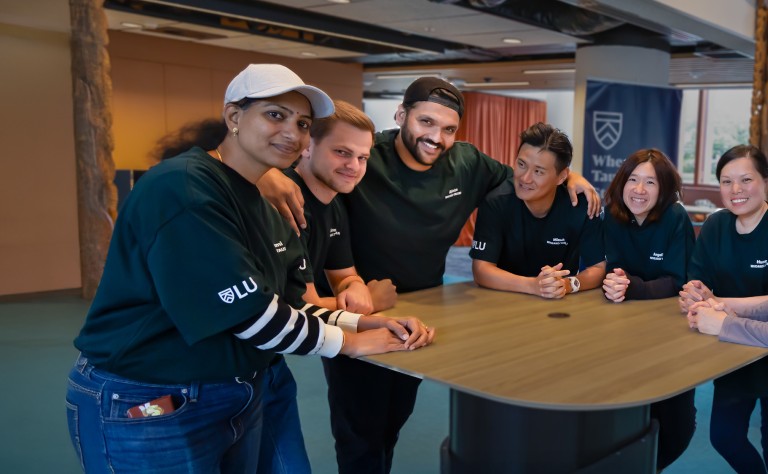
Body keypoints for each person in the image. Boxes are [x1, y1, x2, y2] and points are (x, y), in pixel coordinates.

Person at [65, 63, 432, 473]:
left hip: (239, 388)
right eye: (275, 115)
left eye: (303, 122)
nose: (293, 133)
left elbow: (291, 304)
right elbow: (250, 314)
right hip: (152, 397)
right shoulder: (183, 188)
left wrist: (362, 325)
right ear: (234, 117)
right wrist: (350, 344)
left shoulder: (269, 205)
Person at [259, 76, 601, 473]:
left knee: (393, 422)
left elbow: (525, 178)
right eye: (426, 122)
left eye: (449, 129)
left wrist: (568, 177)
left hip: (421, 314)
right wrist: (270, 173)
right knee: (359, 433)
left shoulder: (467, 163)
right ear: (401, 115)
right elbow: (285, 161)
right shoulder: (365, 158)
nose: (436, 137)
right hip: (357, 313)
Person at [602, 148, 696, 470]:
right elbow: (611, 270)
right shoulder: (612, 216)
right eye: (633, 180)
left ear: (664, 188)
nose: (639, 190)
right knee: (622, 412)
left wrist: (632, 287)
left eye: (650, 183)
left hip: (669, 330)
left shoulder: (675, 218)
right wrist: (616, 285)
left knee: (675, 427)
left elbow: (676, 281)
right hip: (621, 329)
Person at [679, 144, 768, 474]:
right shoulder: (716, 226)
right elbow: (698, 282)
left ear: (765, 181)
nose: (736, 190)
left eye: (746, 179)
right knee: (725, 437)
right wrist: (695, 293)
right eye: (726, 181)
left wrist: (719, 307)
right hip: (733, 353)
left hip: (753, 339)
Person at [470, 122, 605, 297]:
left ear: (562, 176)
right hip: (505, 298)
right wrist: (533, 285)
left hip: (559, 302)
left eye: (538, 172)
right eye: (521, 164)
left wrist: (568, 284)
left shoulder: (580, 206)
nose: (525, 178)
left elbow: (598, 267)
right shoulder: (496, 202)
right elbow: (481, 270)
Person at [288, 99, 398, 315]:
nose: (354, 167)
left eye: (362, 157)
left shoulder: (334, 204)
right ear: (307, 147)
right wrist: (372, 301)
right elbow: (300, 305)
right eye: (342, 152)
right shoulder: (286, 199)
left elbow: (344, 276)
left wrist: (356, 286)